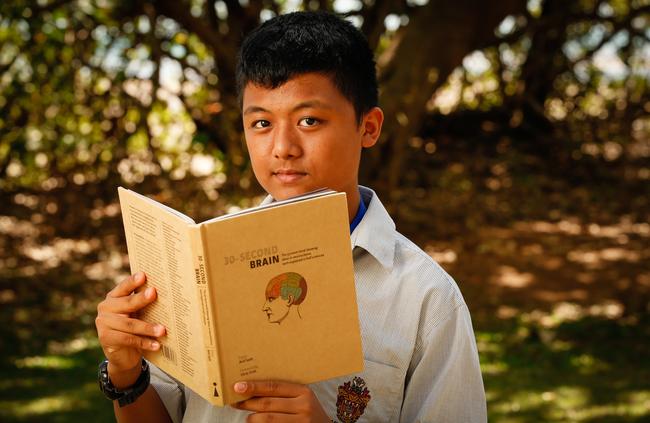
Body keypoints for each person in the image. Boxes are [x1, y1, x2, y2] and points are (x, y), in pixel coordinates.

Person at [95, 11, 486, 422]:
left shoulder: (426, 300)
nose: (282, 147)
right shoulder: (201, 268)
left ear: (368, 127)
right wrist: (126, 374)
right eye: (262, 122)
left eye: (309, 120)